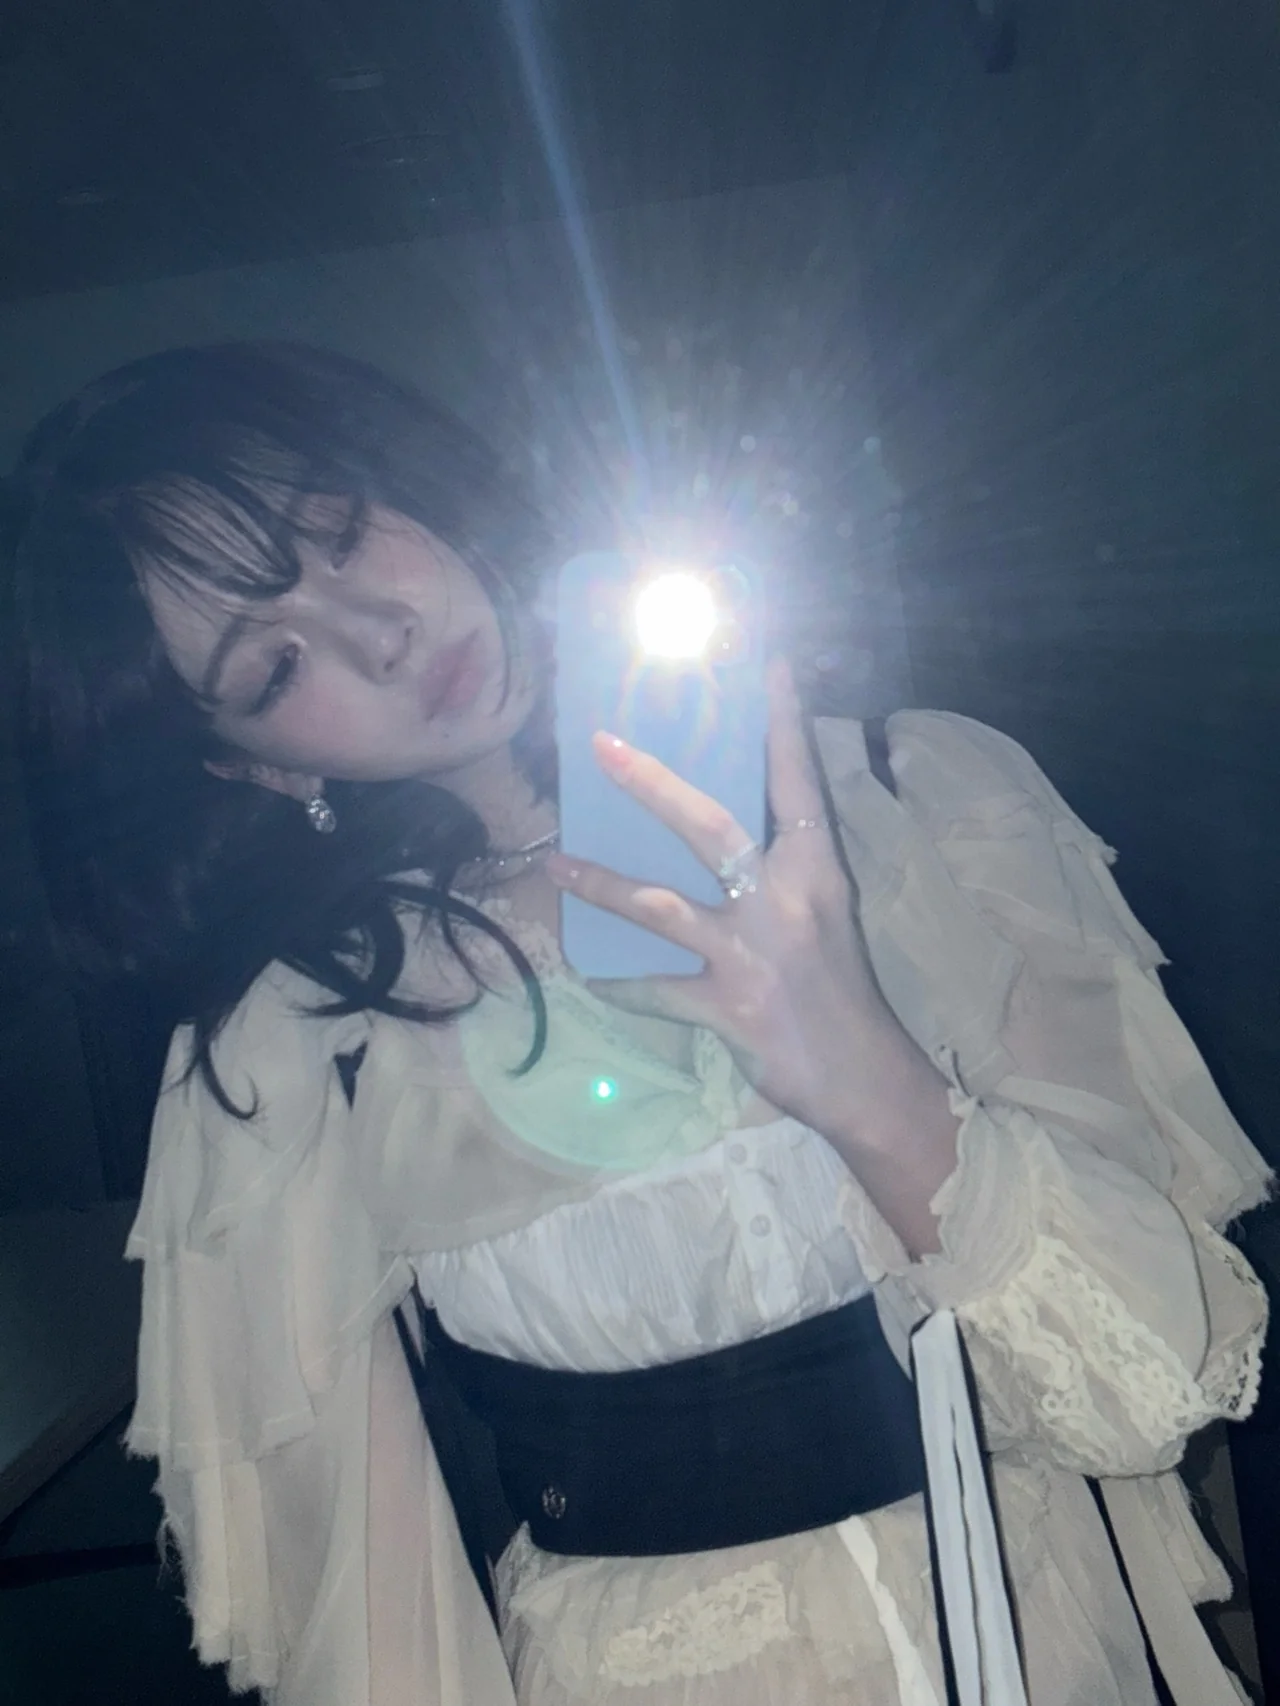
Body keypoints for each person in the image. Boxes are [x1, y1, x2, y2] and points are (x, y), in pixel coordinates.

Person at [10, 341, 1272, 1706]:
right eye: (272, 667)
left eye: (339, 529)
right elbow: (379, 1637)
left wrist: (863, 1070)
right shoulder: (296, 1050)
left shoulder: (923, 797)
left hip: (1046, 1640)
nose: (379, 632)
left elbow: (1161, 1381)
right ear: (251, 763)